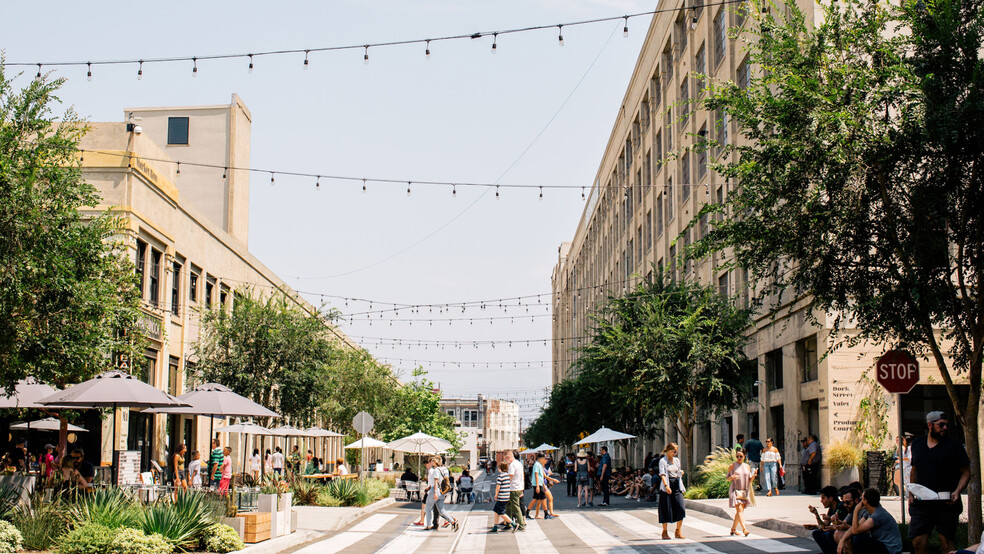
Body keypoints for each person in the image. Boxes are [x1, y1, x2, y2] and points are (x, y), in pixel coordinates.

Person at [908, 410, 971, 554]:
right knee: (918, 542)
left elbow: (966, 472)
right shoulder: (917, 444)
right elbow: (914, 470)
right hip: (922, 504)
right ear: (930, 425)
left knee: (947, 544)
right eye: (941, 425)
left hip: (946, 503)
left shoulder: (954, 446)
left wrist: (957, 491)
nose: (945, 428)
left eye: (946, 425)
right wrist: (910, 493)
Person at [844, 488, 903, 554]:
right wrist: (842, 540)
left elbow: (855, 531)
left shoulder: (878, 515)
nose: (861, 501)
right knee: (854, 539)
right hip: (882, 545)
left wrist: (856, 510)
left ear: (866, 501)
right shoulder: (869, 513)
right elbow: (855, 528)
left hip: (890, 549)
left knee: (858, 539)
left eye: (862, 498)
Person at [814, 487, 860, 554]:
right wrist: (817, 515)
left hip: (856, 533)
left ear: (831, 498)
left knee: (830, 534)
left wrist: (835, 525)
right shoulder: (848, 509)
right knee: (817, 533)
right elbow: (825, 525)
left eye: (823, 498)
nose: (845, 505)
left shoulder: (842, 507)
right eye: (843, 502)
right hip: (848, 530)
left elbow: (859, 528)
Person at [658, 443, 687, 540]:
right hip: (667, 484)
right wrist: (666, 486)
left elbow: (678, 472)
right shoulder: (663, 461)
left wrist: (681, 473)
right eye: (673, 451)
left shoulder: (677, 461)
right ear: (668, 450)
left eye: (676, 451)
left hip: (677, 484)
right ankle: (665, 531)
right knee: (665, 508)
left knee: (680, 507)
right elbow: (662, 474)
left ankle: (678, 530)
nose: (675, 453)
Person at [727, 449, 756, 536]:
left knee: (739, 512)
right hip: (735, 490)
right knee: (739, 509)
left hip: (744, 491)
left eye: (741, 456)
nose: (739, 458)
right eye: (737, 456)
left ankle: (733, 529)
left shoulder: (747, 466)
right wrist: (731, 477)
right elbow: (727, 478)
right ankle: (744, 529)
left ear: (744, 456)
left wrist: (754, 475)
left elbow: (750, 480)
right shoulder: (732, 466)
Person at [424, 456, 458, 531]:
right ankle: (453, 521)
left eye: (432, 460)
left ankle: (428, 525)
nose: (431, 462)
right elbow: (446, 479)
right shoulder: (445, 469)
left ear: (436, 462)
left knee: (428, 508)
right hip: (442, 492)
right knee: (441, 510)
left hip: (435, 491)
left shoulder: (436, 470)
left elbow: (435, 482)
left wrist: (435, 493)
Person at [505, 450, 527, 531]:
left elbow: (510, 476)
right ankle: (508, 522)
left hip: (513, 488)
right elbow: (522, 476)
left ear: (509, 457)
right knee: (509, 506)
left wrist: (504, 485)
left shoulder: (512, 465)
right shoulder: (519, 463)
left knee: (515, 506)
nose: (505, 460)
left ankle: (521, 525)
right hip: (519, 487)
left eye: (505, 458)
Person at [491, 461, 515, 532]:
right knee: (496, 510)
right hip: (506, 496)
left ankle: (513, 524)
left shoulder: (500, 476)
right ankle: (495, 526)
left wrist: (496, 495)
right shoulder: (508, 476)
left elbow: (498, 487)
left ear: (499, 468)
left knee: (501, 513)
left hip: (501, 496)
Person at [528, 453, 550, 519]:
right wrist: (538, 486)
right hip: (538, 484)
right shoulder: (537, 465)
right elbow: (536, 475)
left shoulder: (539, 465)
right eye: (544, 458)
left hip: (539, 484)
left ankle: (527, 512)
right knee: (543, 498)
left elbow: (542, 476)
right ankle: (546, 513)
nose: (544, 460)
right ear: (540, 458)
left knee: (536, 499)